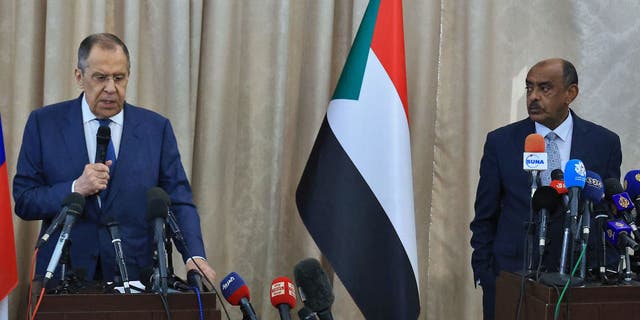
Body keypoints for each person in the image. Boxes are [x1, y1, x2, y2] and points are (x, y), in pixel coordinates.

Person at [13, 33, 216, 288]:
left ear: (128, 77)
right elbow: (24, 200)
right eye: (100, 78)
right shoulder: (44, 124)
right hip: (64, 277)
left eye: (119, 78)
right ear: (79, 76)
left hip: (135, 277)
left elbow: (178, 200)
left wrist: (193, 255)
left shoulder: (156, 129)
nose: (111, 88)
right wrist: (75, 188)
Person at [469, 58, 621, 319]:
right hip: (513, 280)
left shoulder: (603, 143)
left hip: (579, 282)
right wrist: (487, 274)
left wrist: (604, 270)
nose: (533, 97)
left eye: (545, 88)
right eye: (529, 88)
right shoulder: (501, 142)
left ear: (570, 93)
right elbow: (485, 216)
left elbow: (606, 213)